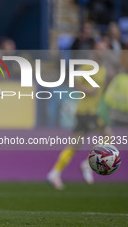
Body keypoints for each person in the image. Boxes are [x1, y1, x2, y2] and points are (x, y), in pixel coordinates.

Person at [47, 40, 113, 190]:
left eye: (106, 49)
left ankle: (55, 173)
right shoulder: (88, 66)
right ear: (94, 50)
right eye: (101, 49)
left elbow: (101, 90)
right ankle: (88, 165)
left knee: (74, 145)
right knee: (108, 135)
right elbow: (72, 82)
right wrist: (87, 90)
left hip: (92, 111)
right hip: (85, 112)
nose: (104, 52)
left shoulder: (103, 70)